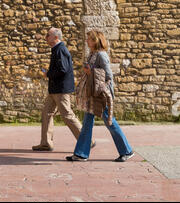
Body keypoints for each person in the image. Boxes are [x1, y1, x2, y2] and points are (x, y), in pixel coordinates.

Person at [66, 30, 134, 162]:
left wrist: (91, 72)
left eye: (89, 39)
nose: (87, 41)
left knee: (110, 122)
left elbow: (108, 76)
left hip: (102, 95)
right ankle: (81, 154)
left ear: (96, 41)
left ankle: (127, 151)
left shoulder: (101, 55)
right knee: (87, 123)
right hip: (93, 94)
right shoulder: (92, 54)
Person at [32, 27, 95, 151]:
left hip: (61, 89)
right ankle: (46, 143)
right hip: (55, 89)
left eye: (48, 35)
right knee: (46, 113)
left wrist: (48, 74)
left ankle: (87, 140)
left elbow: (63, 69)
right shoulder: (56, 49)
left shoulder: (61, 49)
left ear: (55, 37)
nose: (45, 37)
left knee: (67, 114)